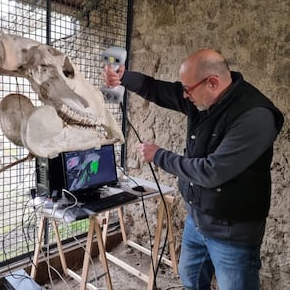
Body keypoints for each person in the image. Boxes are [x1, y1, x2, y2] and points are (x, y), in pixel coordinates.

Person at [103, 48, 284, 290]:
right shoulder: (204, 97)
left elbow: (211, 172)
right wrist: (124, 77)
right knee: (191, 281)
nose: (184, 96)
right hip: (197, 220)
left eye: (188, 90)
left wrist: (159, 156)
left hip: (233, 233)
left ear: (212, 82)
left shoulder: (256, 116)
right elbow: (161, 90)